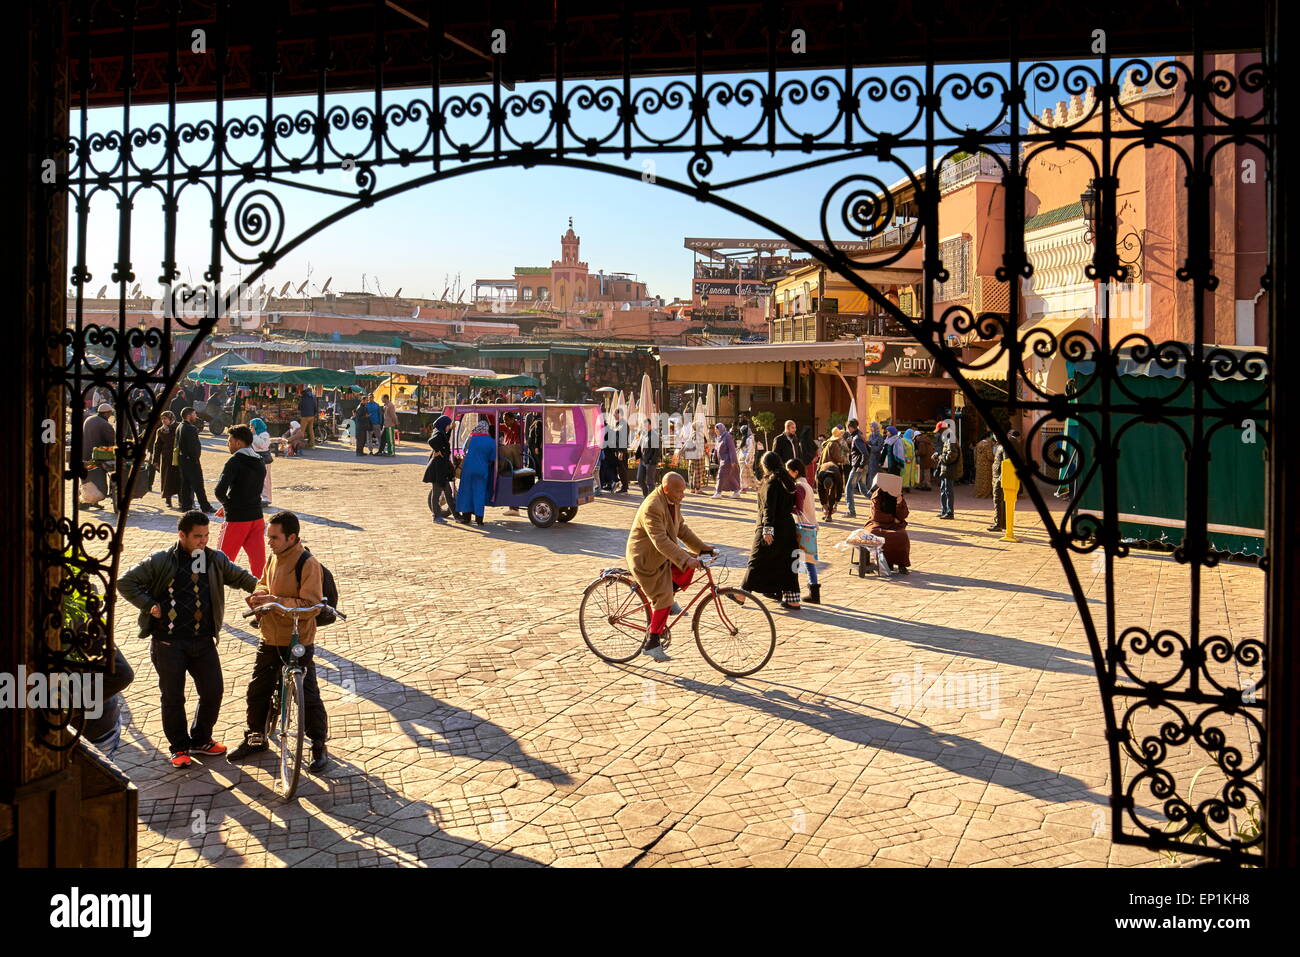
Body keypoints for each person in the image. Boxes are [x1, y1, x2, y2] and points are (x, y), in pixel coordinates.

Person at [117, 510, 259, 768]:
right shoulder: (161, 560)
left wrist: (266, 590)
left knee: (213, 690)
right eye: (197, 537)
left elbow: (242, 578)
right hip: (168, 643)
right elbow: (126, 582)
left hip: (203, 641)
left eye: (206, 535)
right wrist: (149, 605)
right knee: (173, 697)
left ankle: (201, 739)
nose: (203, 541)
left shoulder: (214, 559)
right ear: (181, 535)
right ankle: (179, 747)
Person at [227, 511, 331, 774]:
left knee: (308, 694)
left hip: (298, 639)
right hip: (270, 636)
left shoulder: (308, 564)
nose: (269, 542)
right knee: (257, 689)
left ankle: (318, 744)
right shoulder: (273, 558)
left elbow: (312, 604)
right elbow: (262, 582)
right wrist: (259, 596)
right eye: (268, 537)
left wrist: (276, 601)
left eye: (274, 537)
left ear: (291, 537)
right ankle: (256, 736)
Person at [624, 472, 716, 662]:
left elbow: (681, 529)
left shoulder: (672, 501)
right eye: (679, 491)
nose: (682, 495)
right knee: (664, 596)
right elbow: (661, 541)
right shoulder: (653, 507)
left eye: (683, 491)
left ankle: (667, 597)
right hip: (646, 558)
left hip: (661, 555)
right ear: (666, 489)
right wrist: (686, 558)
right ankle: (652, 643)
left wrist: (703, 549)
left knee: (690, 565)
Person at [742, 451, 801, 610]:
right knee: (788, 563)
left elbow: (768, 508)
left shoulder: (772, 482)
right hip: (787, 527)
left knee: (756, 560)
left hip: (772, 527)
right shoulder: (788, 480)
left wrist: (767, 530)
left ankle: (742, 593)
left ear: (765, 466)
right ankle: (793, 599)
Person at [214, 425, 268, 577]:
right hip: (257, 518)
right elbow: (249, 489)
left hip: (237, 519)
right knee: (259, 566)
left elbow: (219, 491)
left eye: (229, 441)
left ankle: (211, 598)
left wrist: (228, 505)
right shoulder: (260, 461)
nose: (227, 444)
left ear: (238, 443)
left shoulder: (235, 461)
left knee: (220, 564)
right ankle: (262, 597)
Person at [788, 458, 822, 604]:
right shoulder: (806, 484)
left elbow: (798, 509)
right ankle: (814, 592)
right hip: (811, 525)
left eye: (789, 470)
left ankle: (793, 590)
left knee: (799, 559)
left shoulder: (799, 486)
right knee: (809, 560)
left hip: (803, 527)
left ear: (795, 472)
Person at [865, 470, 911, 574]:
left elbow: (904, 515)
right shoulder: (877, 495)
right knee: (875, 533)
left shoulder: (898, 495)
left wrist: (899, 503)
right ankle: (886, 562)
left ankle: (901, 564)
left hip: (894, 525)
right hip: (878, 524)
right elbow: (876, 515)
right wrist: (893, 519)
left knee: (902, 535)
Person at [455, 420, 495, 525]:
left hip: (468, 469)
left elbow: (463, 450)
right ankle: (479, 519)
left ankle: (466, 517)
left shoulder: (471, 438)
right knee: (479, 493)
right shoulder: (491, 441)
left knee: (466, 492)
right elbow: (492, 457)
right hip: (482, 470)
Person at [176, 407, 214, 513]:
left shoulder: (180, 426)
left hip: (183, 459)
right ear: (188, 416)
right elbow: (194, 447)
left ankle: (186, 506)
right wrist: (195, 459)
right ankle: (205, 506)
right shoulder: (190, 428)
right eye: (194, 414)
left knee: (186, 484)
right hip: (191, 461)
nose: (195, 416)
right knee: (198, 485)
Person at [423, 414, 455, 521]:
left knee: (446, 493)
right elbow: (431, 441)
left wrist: (450, 430)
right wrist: (437, 451)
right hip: (438, 469)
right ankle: (436, 515)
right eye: (448, 425)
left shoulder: (441, 433)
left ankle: (455, 515)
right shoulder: (438, 434)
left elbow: (445, 438)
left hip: (441, 468)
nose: (448, 426)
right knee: (437, 494)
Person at [816, 426, 848, 521]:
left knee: (826, 493)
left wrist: (836, 503)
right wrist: (844, 459)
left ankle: (827, 512)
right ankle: (828, 514)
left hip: (822, 469)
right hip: (832, 471)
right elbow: (838, 457)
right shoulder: (834, 444)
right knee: (831, 493)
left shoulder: (827, 443)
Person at [151, 410, 181, 509]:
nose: (163, 421)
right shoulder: (161, 431)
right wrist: (155, 461)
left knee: (179, 478)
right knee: (167, 479)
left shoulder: (179, 427)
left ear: (171, 418)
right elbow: (157, 446)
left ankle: (181, 499)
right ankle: (168, 499)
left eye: (165, 418)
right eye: (162, 419)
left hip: (178, 457)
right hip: (166, 458)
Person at [844, 419, 871, 519]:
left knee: (849, 488)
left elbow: (865, 453)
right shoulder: (859, 436)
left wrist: (860, 466)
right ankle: (879, 503)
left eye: (848, 428)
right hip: (862, 467)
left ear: (850, 427)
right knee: (863, 489)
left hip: (858, 468)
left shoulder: (857, 438)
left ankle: (851, 512)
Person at [934, 423, 962, 520]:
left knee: (948, 491)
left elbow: (951, 457)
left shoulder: (951, 441)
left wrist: (939, 457)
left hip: (949, 469)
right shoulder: (948, 440)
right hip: (945, 469)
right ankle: (944, 510)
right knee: (944, 490)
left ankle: (949, 512)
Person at [712, 422, 741, 497]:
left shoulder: (727, 436)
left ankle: (718, 492)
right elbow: (716, 449)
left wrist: (733, 460)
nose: (716, 431)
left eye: (717, 429)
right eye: (715, 429)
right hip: (722, 460)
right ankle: (737, 491)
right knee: (730, 476)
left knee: (720, 475)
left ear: (721, 429)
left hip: (727, 460)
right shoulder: (719, 437)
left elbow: (732, 449)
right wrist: (714, 458)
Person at [633, 416, 660, 497]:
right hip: (643, 460)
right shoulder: (643, 434)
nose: (644, 426)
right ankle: (646, 495)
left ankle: (651, 498)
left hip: (650, 462)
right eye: (644, 425)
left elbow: (657, 450)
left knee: (650, 482)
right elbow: (640, 446)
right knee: (639, 479)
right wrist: (637, 456)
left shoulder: (654, 435)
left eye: (646, 425)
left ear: (650, 425)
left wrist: (652, 460)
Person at [249, 417, 273, 506]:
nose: (251, 428)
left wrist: (254, 435)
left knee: (265, 480)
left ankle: (266, 498)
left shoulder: (264, 434)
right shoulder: (252, 435)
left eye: (252, 426)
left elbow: (261, 445)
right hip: (255, 457)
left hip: (264, 458)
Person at [987, 435, 1007, 532]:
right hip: (996, 476)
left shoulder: (1004, 447)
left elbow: (1006, 463)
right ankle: (1002, 523)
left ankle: (998, 523)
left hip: (999, 477)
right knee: (999, 500)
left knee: (998, 500)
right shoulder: (1000, 446)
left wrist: (1001, 478)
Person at [680, 420, 706, 493]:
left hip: (691, 455)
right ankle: (698, 489)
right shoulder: (699, 434)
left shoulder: (692, 434)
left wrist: (682, 451)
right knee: (698, 472)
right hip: (698, 456)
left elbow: (687, 443)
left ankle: (692, 488)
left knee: (691, 471)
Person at [913, 427, 935, 492]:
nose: (915, 439)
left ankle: (927, 486)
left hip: (925, 459)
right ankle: (923, 485)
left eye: (915, 438)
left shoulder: (921, 442)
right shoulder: (925, 440)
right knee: (925, 472)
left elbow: (922, 452)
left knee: (926, 472)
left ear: (917, 436)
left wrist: (915, 452)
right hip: (928, 458)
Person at [738, 424, 758, 491]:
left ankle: (744, 487)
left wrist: (747, 458)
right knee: (748, 473)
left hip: (747, 459)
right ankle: (752, 486)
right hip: (743, 459)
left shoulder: (749, 439)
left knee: (745, 473)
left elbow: (750, 449)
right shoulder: (746, 438)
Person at [865, 421, 885, 489]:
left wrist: (871, 448)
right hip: (870, 456)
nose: (870, 428)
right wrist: (866, 443)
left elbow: (880, 447)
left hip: (876, 457)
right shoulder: (871, 435)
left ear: (875, 427)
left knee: (875, 472)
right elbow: (870, 442)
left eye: (872, 427)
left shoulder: (880, 436)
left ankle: (875, 487)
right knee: (870, 472)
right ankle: (869, 486)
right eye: (870, 426)